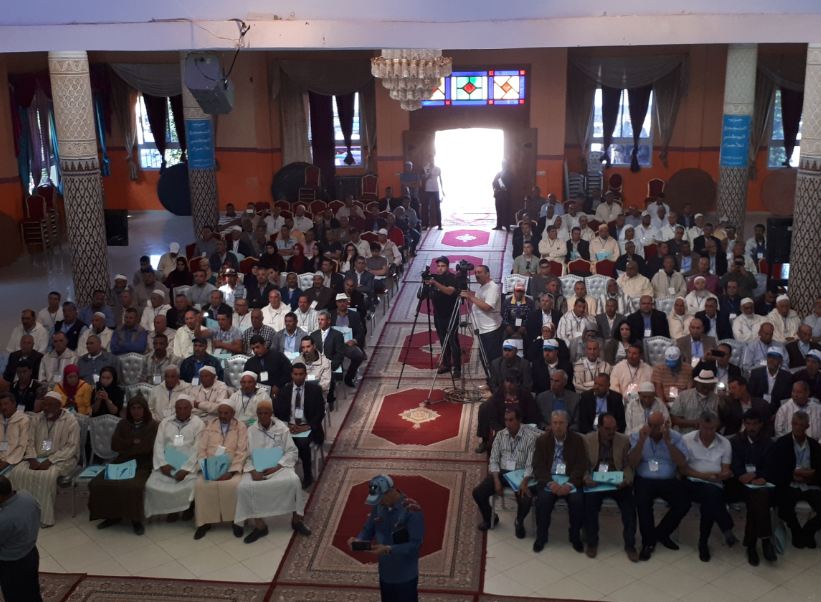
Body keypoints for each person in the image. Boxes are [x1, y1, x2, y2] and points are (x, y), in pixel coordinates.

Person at [234, 399, 311, 543]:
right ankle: (260, 526)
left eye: (266, 413)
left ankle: (296, 521)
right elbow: (246, 455)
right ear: (257, 414)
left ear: (271, 414)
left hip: (278, 466)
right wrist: (252, 471)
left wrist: (278, 466)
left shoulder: (282, 429)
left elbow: (292, 451)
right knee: (244, 487)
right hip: (257, 466)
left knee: (294, 481)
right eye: (260, 413)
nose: (263, 416)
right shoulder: (251, 431)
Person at [88, 395, 158, 535]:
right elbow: (115, 445)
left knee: (132, 486)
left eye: (139, 408)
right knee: (98, 483)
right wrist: (132, 442)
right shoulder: (123, 424)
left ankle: (135, 520)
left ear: (145, 409)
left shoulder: (152, 425)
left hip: (142, 464)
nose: (136, 411)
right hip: (122, 461)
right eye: (133, 408)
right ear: (129, 410)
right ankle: (112, 516)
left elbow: (147, 448)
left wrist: (127, 446)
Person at [349, 474, 425, 602]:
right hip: (385, 573)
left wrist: (389, 549)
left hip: (405, 575)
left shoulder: (412, 510)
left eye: (380, 498)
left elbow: (415, 545)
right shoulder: (379, 506)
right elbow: (369, 528)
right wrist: (359, 540)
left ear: (390, 492)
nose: (378, 502)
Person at [9, 391, 80, 527]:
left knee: (47, 476)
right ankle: (21, 513)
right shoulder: (37, 419)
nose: (46, 408)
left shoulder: (70, 421)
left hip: (63, 459)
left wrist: (50, 460)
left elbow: (71, 447)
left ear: (59, 406)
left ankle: (44, 517)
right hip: (36, 457)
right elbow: (28, 441)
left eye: (50, 405)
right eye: (44, 405)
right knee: (17, 472)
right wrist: (31, 459)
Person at [628, 410, 691, 560]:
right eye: (650, 425)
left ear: (666, 425)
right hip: (644, 479)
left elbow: (682, 463)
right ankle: (647, 543)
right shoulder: (638, 436)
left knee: (684, 503)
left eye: (657, 426)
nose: (653, 429)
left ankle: (661, 533)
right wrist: (641, 441)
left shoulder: (676, 437)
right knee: (643, 504)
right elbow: (632, 463)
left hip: (668, 480)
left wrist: (668, 442)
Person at [472, 407, 537, 536]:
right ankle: (490, 518)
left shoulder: (530, 437)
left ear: (519, 420)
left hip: (520, 474)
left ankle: (519, 521)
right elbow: (494, 460)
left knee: (526, 498)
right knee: (478, 493)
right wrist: (496, 480)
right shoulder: (501, 435)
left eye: (511, 420)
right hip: (502, 473)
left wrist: (525, 481)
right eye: (506, 420)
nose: (508, 423)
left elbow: (531, 463)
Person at [681, 410, 736, 562]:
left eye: (712, 428)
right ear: (699, 425)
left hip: (716, 484)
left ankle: (703, 542)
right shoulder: (686, 439)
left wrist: (725, 474)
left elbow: (725, 469)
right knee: (711, 495)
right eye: (705, 428)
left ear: (716, 427)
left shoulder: (724, 443)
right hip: (692, 483)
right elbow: (683, 469)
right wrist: (704, 476)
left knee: (710, 499)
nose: (708, 432)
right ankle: (725, 526)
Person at [528, 410, 586, 553]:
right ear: (551, 424)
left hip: (569, 480)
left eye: (561, 423)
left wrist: (569, 485)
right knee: (543, 501)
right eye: (555, 423)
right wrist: (550, 483)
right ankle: (541, 537)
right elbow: (538, 466)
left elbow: (580, 466)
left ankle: (575, 536)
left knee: (577, 501)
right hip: (549, 479)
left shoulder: (577, 440)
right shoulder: (542, 440)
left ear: (567, 424)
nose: (558, 426)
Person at [582, 413, 638, 560]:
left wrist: (626, 480)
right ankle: (592, 543)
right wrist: (586, 479)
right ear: (599, 427)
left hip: (617, 481)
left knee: (629, 508)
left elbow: (628, 466)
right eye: (607, 429)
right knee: (589, 504)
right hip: (596, 480)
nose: (611, 432)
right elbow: (583, 465)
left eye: (614, 429)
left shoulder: (624, 440)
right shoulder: (588, 440)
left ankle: (630, 545)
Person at [727, 409, 777, 565]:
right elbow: (734, 464)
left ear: (761, 424)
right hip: (739, 484)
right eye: (748, 424)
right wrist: (741, 475)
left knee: (759, 497)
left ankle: (751, 546)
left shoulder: (768, 442)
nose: (751, 428)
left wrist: (757, 475)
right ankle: (765, 540)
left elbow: (770, 466)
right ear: (744, 424)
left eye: (755, 424)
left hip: (760, 483)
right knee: (759, 499)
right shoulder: (735, 441)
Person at [193, 401, 248, 540]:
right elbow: (201, 450)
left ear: (233, 413)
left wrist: (230, 472)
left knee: (234, 485)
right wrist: (207, 469)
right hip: (210, 466)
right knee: (201, 485)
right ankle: (204, 523)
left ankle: (237, 522)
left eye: (226, 413)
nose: (223, 416)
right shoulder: (210, 425)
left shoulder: (240, 427)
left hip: (231, 467)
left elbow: (242, 451)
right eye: (220, 413)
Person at [765, 411, 821, 549]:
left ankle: (808, 530)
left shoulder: (814, 445)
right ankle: (796, 530)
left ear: (807, 426)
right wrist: (792, 474)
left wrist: (812, 474)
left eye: (801, 425)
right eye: (795, 424)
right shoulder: (781, 443)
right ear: (791, 424)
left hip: (811, 485)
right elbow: (774, 468)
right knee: (784, 506)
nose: (798, 427)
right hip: (789, 484)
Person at [143, 397, 204, 522]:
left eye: (185, 408)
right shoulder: (165, 422)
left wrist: (185, 469)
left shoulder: (199, 424)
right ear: (175, 409)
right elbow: (158, 445)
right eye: (179, 408)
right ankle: (170, 510)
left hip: (188, 464)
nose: (182, 411)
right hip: (168, 463)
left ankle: (186, 508)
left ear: (191, 409)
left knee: (190, 485)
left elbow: (198, 448)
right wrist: (163, 464)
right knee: (151, 485)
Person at [275, 363, 325, 488]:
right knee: (275, 441)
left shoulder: (314, 390)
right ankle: (282, 475)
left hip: (307, 426)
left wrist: (307, 426)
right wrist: (287, 425)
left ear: (305, 375)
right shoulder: (285, 391)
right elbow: (278, 412)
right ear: (291, 375)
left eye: (301, 374)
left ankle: (307, 475)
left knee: (302, 443)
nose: (298, 377)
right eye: (295, 374)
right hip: (289, 426)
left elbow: (320, 412)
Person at [0, 476, 42, 602]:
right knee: (32, 590)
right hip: (31, 552)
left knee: (14, 595)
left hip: (12, 564)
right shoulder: (27, 496)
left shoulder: (4, 519)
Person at [422, 256, 462, 378]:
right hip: (438, 314)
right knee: (443, 339)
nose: (440, 268)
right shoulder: (433, 278)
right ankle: (446, 364)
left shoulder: (452, 278)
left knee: (453, 340)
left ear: (447, 267)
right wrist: (425, 283)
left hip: (451, 314)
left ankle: (457, 367)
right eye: (438, 266)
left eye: (443, 266)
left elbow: (449, 291)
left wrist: (435, 283)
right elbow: (422, 295)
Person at [462, 265, 504, 367]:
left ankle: (495, 377)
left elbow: (487, 307)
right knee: (485, 358)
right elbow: (479, 303)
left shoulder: (493, 287)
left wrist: (470, 297)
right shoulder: (482, 287)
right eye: (475, 273)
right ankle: (491, 377)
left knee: (493, 360)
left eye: (479, 272)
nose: (477, 275)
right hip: (483, 329)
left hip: (491, 330)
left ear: (487, 274)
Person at [670, 369, 720, 434]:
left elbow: (720, 421)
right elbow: (674, 419)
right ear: (696, 383)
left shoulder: (716, 399)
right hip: (686, 435)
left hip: (708, 435)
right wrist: (694, 423)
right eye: (703, 386)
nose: (706, 389)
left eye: (709, 386)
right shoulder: (683, 396)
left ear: (713, 385)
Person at [748, 346, 794, 412]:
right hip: (758, 409)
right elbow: (751, 395)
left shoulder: (787, 377)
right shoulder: (756, 373)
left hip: (778, 410)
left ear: (780, 361)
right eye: (769, 357)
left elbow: (786, 399)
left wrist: (779, 413)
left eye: (775, 358)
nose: (771, 360)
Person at [0, 393, 30, 474]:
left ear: (14, 404)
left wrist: (7, 462)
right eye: (0, 405)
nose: (3, 407)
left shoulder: (23, 420)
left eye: (6, 404)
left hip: (14, 461)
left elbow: (22, 446)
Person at [491, 160, 511, 231]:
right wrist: (495, 188)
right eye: (502, 164)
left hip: (505, 195)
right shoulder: (498, 173)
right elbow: (493, 183)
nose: (503, 165)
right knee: (498, 210)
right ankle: (499, 225)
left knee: (505, 210)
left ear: (506, 165)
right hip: (498, 195)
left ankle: (507, 226)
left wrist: (505, 187)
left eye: (504, 164)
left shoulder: (509, 174)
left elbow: (510, 184)